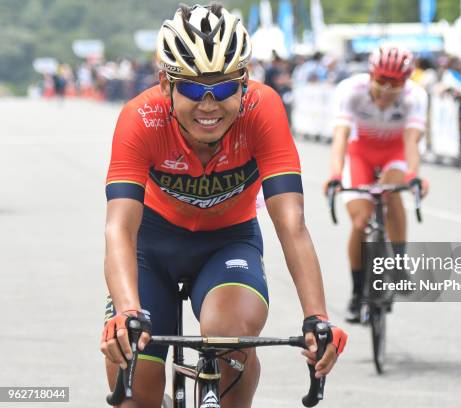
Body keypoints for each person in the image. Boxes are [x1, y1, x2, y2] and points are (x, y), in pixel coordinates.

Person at [99, 4, 347, 407]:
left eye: (225, 88)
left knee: (227, 335)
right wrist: (126, 311)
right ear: (166, 84)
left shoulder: (263, 110)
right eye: (194, 89)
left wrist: (317, 318)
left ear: (245, 82)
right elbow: (119, 228)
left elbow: (292, 224)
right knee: (134, 391)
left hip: (227, 245)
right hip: (152, 249)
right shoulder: (139, 119)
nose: (209, 105)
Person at [325, 46, 429, 323]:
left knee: (391, 193)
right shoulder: (350, 90)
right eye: (381, 81)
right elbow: (341, 138)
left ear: (406, 82)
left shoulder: (415, 96)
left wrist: (414, 175)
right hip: (361, 153)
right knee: (360, 222)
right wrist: (335, 175)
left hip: (395, 153)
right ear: (370, 75)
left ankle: (397, 262)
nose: (385, 90)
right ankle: (358, 292)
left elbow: (410, 143)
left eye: (394, 84)